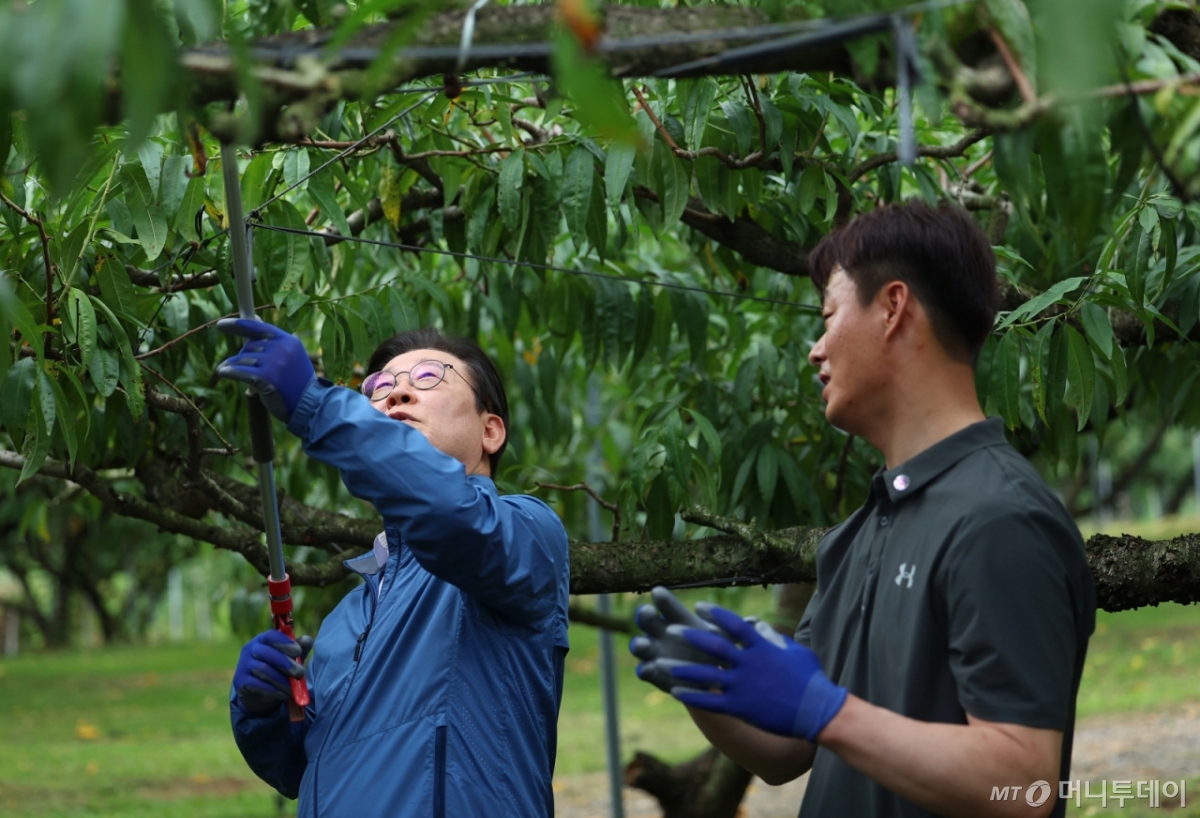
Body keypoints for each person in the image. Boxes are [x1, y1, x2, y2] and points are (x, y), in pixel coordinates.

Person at [632, 201, 1096, 818]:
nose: (815, 351)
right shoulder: (857, 533)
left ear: (893, 308)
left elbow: (1025, 784)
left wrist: (828, 709)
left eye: (827, 317)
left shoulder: (1000, 518)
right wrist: (712, 690)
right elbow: (789, 748)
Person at [216, 323, 571, 818]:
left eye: (429, 377)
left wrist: (317, 406)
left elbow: (451, 517)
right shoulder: (347, 617)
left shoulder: (528, 534)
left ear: (490, 431)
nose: (397, 391)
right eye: (377, 388)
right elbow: (301, 770)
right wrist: (261, 709)